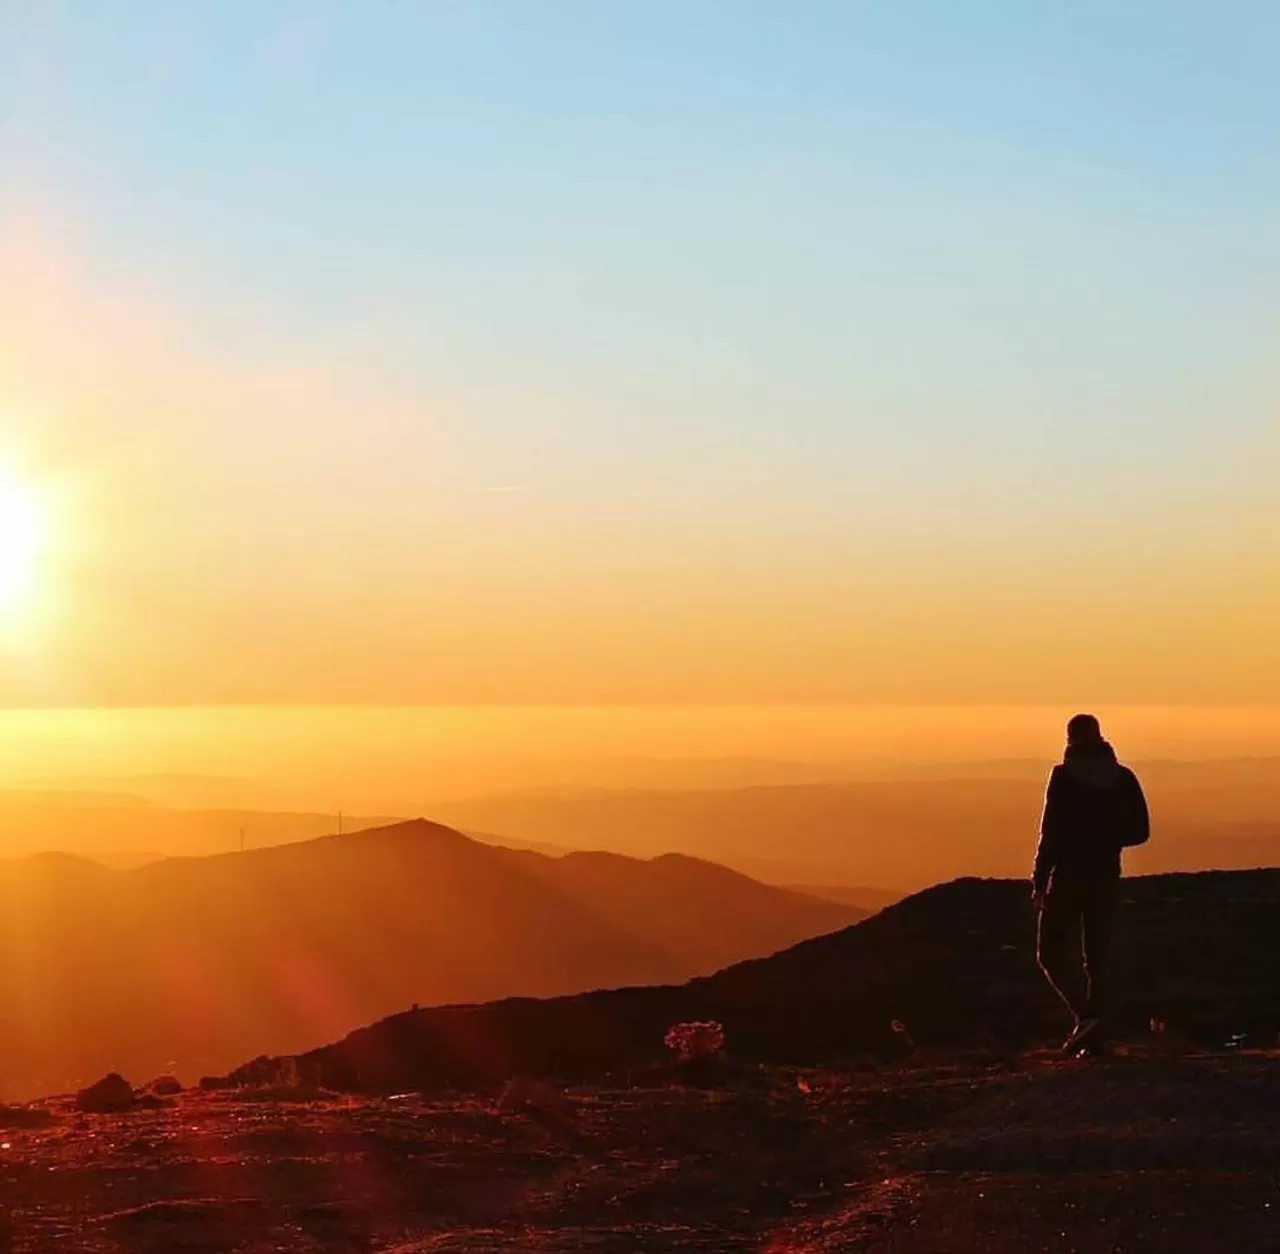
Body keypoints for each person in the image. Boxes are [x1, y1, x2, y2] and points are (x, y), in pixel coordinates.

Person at [1032, 713, 1149, 1055]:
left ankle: (1085, 1019)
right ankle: (1093, 1036)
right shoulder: (1123, 778)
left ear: (1070, 739)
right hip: (1106, 877)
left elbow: (1049, 832)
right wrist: (1107, 839)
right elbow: (1141, 831)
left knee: (1049, 953)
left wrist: (1039, 879)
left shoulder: (1063, 777)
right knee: (1097, 960)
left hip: (1067, 877)